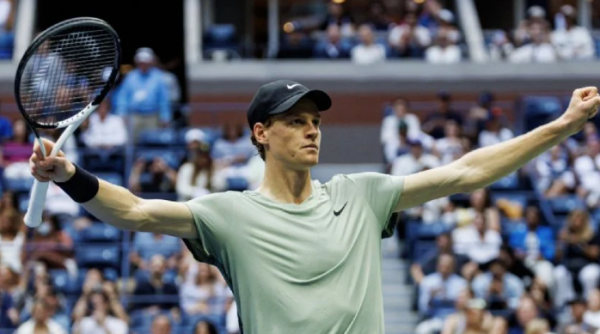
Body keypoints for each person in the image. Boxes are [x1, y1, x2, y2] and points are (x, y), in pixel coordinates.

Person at [29, 81, 600, 334]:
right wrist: (70, 175)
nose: (311, 132)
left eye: (316, 122)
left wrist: (562, 126)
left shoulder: (363, 194)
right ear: (260, 133)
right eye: (295, 121)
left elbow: (465, 171)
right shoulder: (228, 213)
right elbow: (134, 212)